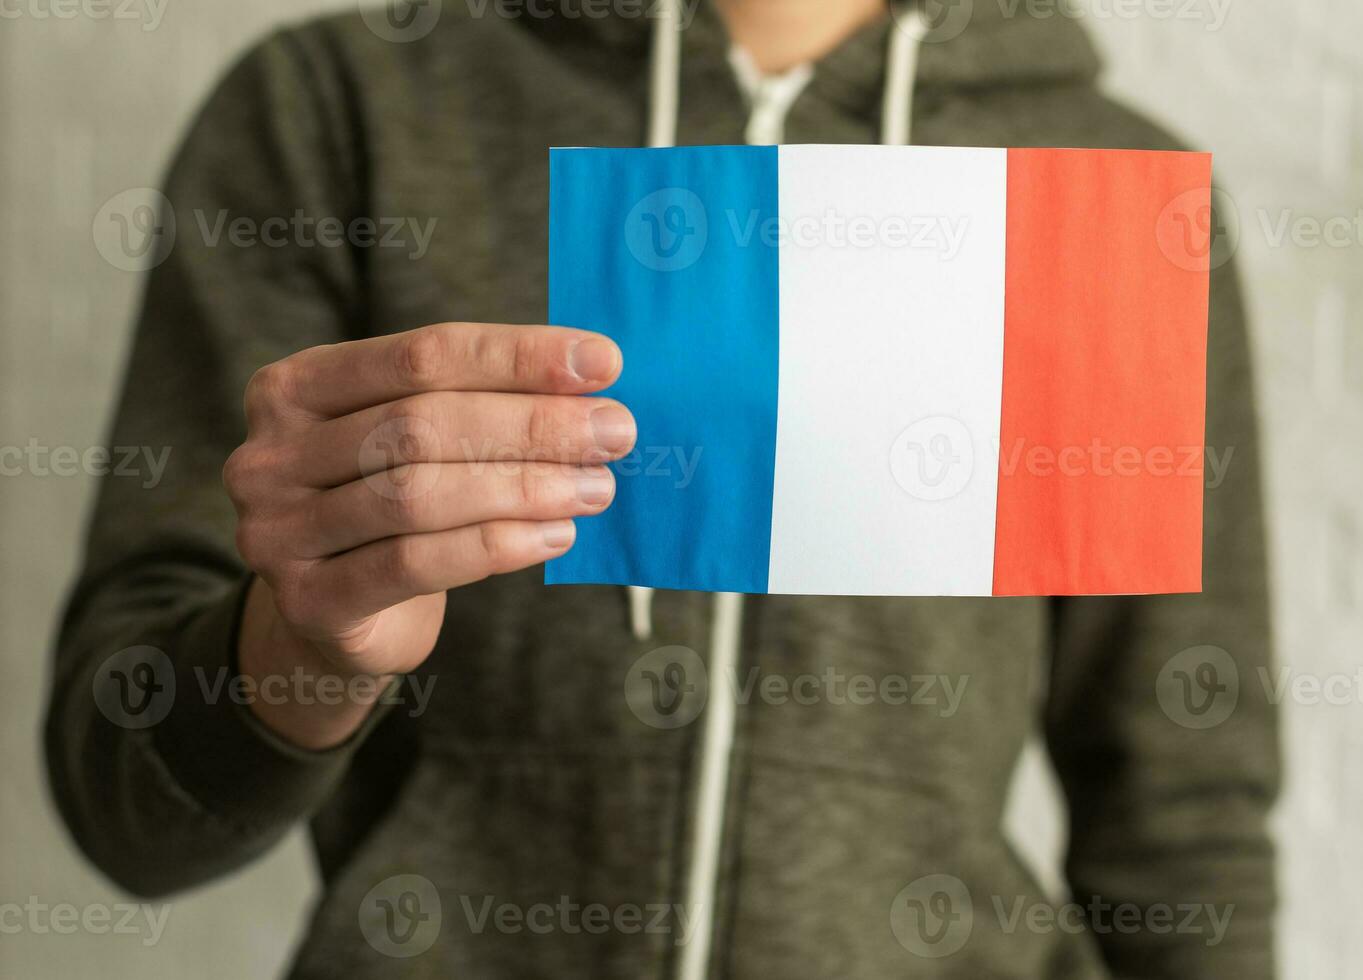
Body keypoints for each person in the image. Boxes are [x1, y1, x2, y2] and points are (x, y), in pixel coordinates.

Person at [46, 1, 1279, 977]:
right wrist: (304, 651)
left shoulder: (1117, 198)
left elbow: (1183, 810)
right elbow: (131, 811)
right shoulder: (337, 112)